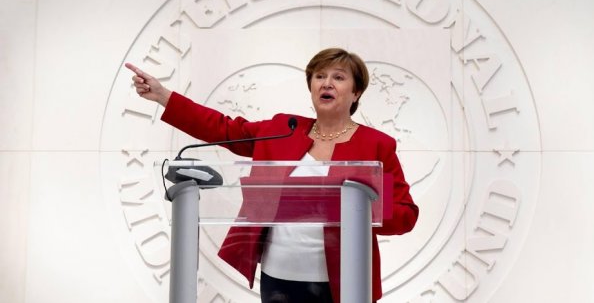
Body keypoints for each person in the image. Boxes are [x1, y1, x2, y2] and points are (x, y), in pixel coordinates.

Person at [126, 48, 419, 302]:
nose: (326, 83)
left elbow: (406, 214)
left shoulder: (377, 144)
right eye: (319, 76)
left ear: (356, 92)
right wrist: (164, 96)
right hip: (279, 278)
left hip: (344, 284)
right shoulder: (282, 129)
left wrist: (353, 210)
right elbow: (223, 128)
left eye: (339, 77)